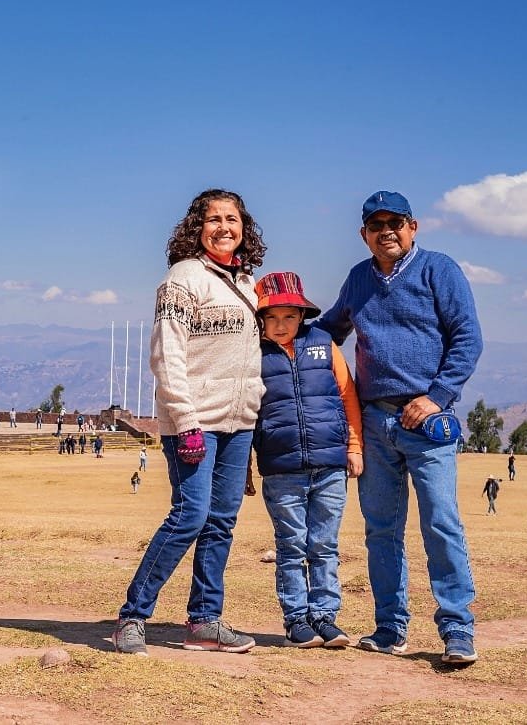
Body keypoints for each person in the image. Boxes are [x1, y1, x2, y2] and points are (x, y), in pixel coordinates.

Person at [315, 190, 483, 666]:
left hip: (428, 420)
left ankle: (457, 628)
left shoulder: (439, 269)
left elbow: (467, 337)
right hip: (374, 420)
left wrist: (436, 397)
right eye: (376, 224)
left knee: (441, 523)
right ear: (363, 234)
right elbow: (330, 330)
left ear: (414, 227)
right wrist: (278, 330)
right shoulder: (357, 280)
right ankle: (389, 628)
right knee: (381, 530)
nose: (386, 230)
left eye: (396, 222)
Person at [113, 188, 266, 657]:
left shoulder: (247, 283)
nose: (225, 227)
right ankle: (132, 617)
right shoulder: (183, 278)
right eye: (214, 218)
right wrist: (184, 419)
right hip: (194, 421)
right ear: (197, 227)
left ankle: (204, 621)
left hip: (239, 424)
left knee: (221, 523)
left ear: (245, 228)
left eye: (233, 219)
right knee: (189, 517)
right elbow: (167, 354)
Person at [251, 271, 363, 649]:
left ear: (302, 316)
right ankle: (296, 620)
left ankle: (325, 617)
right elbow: (247, 411)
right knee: (291, 545)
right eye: (272, 317)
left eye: (290, 316)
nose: (281, 325)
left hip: (330, 465)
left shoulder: (323, 343)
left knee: (325, 545)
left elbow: (347, 396)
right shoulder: (253, 353)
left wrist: (355, 447)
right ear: (261, 319)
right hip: (281, 469)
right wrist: (248, 466)